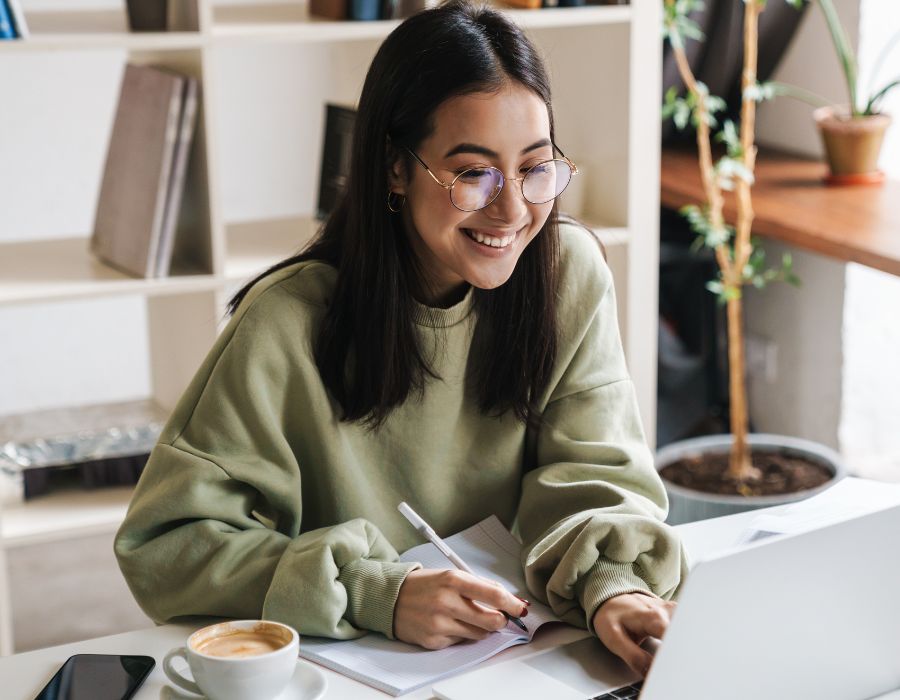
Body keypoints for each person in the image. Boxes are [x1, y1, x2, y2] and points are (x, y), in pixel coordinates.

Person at [114, 0, 688, 679]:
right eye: (474, 173)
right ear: (394, 168)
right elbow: (166, 546)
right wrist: (375, 592)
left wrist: (614, 584)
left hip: (528, 665)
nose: (512, 210)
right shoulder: (286, 322)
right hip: (351, 677)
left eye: (535, 167)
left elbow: (597, 478)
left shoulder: (569, 275)